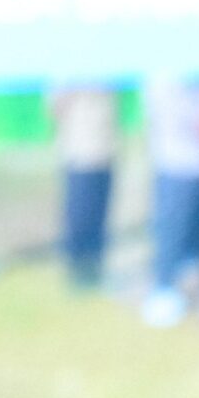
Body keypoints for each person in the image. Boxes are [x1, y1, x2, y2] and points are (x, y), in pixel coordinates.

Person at [140, 76, 199, 326]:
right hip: (175, 163)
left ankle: (194, 286)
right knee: (171, 230)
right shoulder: (163, 78)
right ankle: (163, 291)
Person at [50, 85, 119, 288]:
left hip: (105, 149)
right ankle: (77, 271)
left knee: (100, 213)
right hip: (80, 151)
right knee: (79, 215)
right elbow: (54, 107)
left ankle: (96, 268)